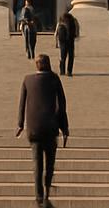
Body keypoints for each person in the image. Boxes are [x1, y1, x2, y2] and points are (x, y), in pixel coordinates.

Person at [16, 54, 70, 207]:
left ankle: (38, 196)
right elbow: (62, 105)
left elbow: (22, 104)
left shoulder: (27, 79)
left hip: (33, 129)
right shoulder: (54, 79)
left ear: (36, 65)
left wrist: (20, 124)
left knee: (37, 163)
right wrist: (64, 127)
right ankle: (46, 192)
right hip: (50, 128)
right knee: (50, 162)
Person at [54, 10, 80, 77]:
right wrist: (77, 36)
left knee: (63, 57)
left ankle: (62, 71)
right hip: (71, 40)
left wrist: (56, 43)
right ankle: (69, 71)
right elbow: (77, 29)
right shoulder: (73, 20)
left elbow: (56, 32)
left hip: (62, 41)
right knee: (71, 56)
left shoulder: (61, 21)